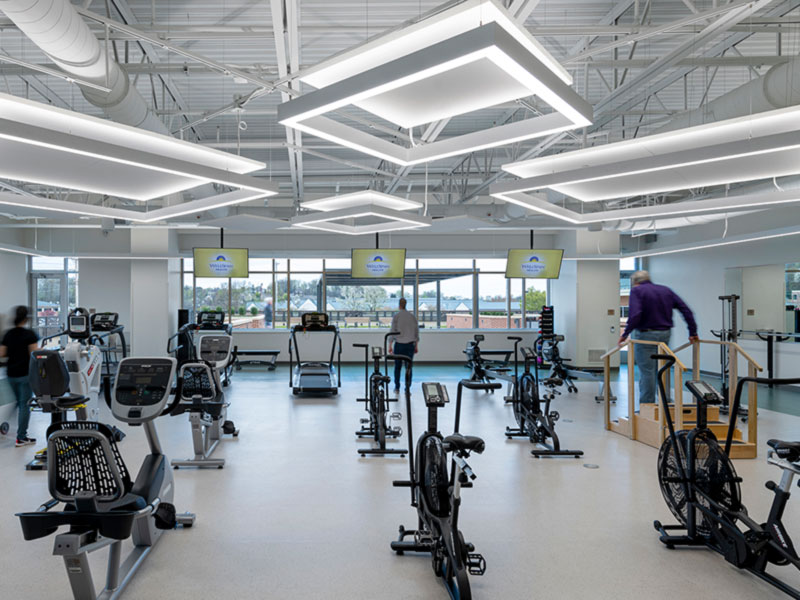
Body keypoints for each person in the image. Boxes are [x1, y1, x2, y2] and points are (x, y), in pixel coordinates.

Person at [618, 271, 699, 404]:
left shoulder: (637, 291)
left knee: (647, 371)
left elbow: (635, 314)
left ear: (635, 283)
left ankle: (647, 405)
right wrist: (692, 332)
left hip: (645, 335)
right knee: (662, 367)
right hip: (664, 334)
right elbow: (686, 310)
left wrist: (625, 334)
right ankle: (665, 401)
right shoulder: (665, 290)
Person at [0, 306, 39, 446]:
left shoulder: (8, 334)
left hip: (11, 374)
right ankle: (21, 437)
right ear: (27, 318)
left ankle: (1, 426)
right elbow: (34, 354)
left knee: (18, 402)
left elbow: (2, 353)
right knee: (24, 405)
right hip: (25, 374)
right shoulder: (30, 334)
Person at [390, 298, 419, 393]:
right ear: (406, 304)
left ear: (399, 305)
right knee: (409, 367)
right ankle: (407, 389)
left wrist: (390, 345)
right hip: (410, 345)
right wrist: (416, 346)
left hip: (399, 345)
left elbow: (392, 331)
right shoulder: (412, 317)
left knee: (397, 367)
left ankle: (397, 387)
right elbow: (416, 332)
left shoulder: (397, 316)